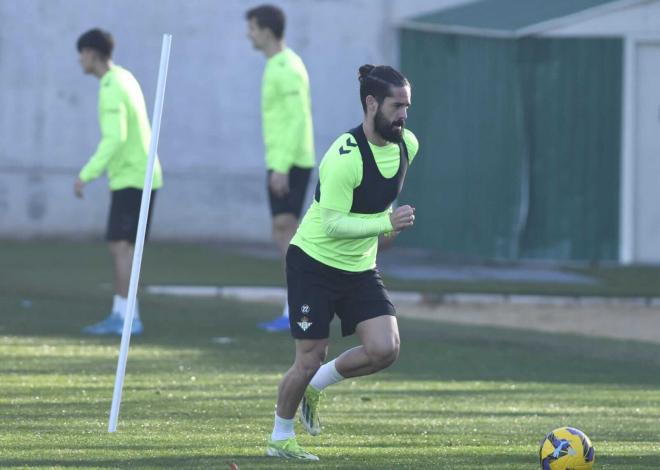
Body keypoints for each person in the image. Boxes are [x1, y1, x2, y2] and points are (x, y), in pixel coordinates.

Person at [266, 64, 419, 460]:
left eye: (407, 106)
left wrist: (386, 230)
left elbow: (376, 202)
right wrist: (386, 222)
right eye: (396, 106)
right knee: (308, 356)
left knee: (386, 349)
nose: (403, 115)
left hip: (359, 268)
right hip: (313, 263)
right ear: (371, 104)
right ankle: (280, 438)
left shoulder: (408, 146)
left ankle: (317, 384)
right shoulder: (343, 156)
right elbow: (332, 224)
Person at [74, 28, 163, 336]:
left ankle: (127, 317)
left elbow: (115, 138)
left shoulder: (111, 86)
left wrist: (86, 174)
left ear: (90, 53)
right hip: (138, 175)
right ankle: (123, 313)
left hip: (134, 178)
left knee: (121, 247)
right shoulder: (125, 77)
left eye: (81, 53)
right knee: (122, 246)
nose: (79, 60)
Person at [246, 5, 316, 332]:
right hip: (282, 162)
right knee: (283, 232)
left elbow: (296, 120)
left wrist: (281, 167)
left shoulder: (287, 66)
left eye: (253, 28)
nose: (249, 34)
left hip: (290, 164)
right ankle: (295, 308)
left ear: (268, 30)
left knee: (287, 232)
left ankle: (299, 310)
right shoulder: (277, 64)